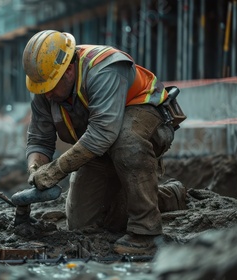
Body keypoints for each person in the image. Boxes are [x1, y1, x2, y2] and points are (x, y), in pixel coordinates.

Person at [22, 30, 187, 255]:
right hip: (98, 144)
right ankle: (167, 198)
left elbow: (103, 133)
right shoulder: (46, 87)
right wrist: (36, 167)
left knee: (126, 143)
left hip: (142, 122)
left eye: (50, 86)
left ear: (68, 70)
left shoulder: (104, 69)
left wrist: (56, 170)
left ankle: (146, 232)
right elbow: (39, 140)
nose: (46, 94)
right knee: (84, 224)